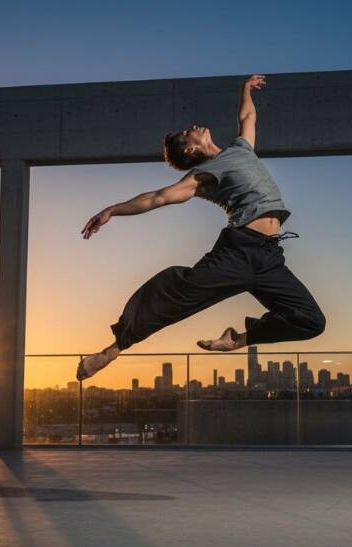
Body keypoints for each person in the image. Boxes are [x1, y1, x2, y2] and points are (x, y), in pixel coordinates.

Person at [76, 74, 325, 381]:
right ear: (190, 150)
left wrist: (246, 89)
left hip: (270, 257)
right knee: (175, 294)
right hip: (238, 252)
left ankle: (236, 340)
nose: (192, 126)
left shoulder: (241, 149)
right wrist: (113, 210)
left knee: (311, 320)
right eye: (186, 133)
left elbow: (248, 117)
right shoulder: (202, 175)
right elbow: (159, 197)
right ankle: (111, 351)